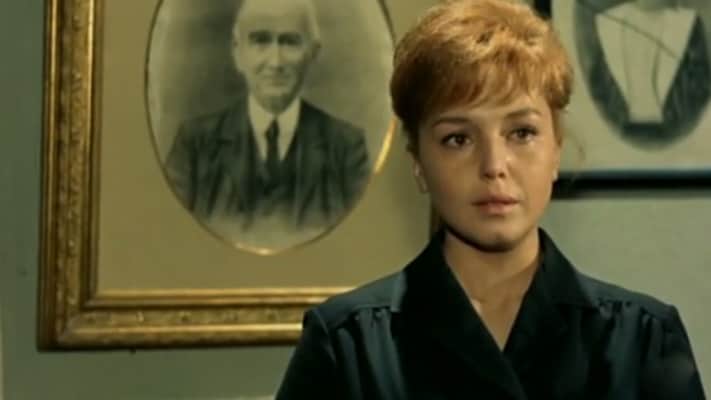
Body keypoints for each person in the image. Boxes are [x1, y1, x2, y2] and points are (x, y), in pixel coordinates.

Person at [275, 0, 706, 398]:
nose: (494, 165)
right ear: (418, 163)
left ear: (556, 149)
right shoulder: (348, 345)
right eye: (458, 139)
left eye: (522, 133)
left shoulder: (642, 340)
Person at [165, 0, 369, 232]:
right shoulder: (194, 146)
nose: (275, 62)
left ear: (312, 53)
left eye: (290, 42)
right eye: (260, 41)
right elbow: (169, 236)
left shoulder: (346, 149)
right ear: (237, 52)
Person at [591, 0, 710, 146]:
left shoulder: (688, 22)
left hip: (674, 128)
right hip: (621, 129)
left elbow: (701, 83)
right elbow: (599, 87)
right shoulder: (607, 22)